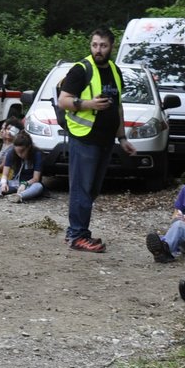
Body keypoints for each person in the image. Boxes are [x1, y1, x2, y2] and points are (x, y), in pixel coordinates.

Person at [55, 28, 134, 252]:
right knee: (82, 188)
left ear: (111, 47)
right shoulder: (80, 70)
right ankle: (77, 235)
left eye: (103, 46)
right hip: (84, 138)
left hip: (106, 140)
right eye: (95, 45)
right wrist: (88, 104)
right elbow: (63, 101)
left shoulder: (115, 71)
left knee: (92, 189)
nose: (98, 50)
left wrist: (122, 137)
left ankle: (78, 232)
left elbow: (118, 107)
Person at [0, 129, 45, 202]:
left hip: (29, 185)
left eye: (22, 151)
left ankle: (19, 196)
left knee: (38, 186)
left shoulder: (37, 154)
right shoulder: (11, 153)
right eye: (17, 152)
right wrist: (4, 183)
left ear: (28, 147)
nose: (20, 155)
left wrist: (25, 184)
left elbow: (36, 178)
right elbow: (5, 174)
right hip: (15, 183)